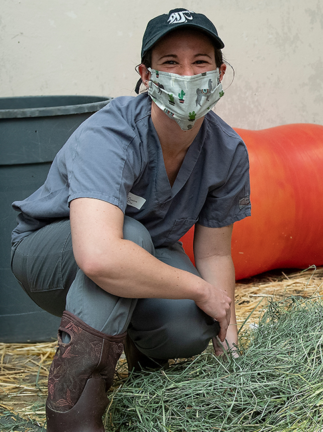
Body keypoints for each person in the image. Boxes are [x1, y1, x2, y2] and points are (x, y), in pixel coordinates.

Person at [9, 8, 250, 431]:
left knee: (191, 327)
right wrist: (198, 289)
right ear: (146, 74)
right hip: (50, 255)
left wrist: (227, 340)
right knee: (129, 240)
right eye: (170, 62)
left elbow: (214, 251)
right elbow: (100, 256)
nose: (188, 75)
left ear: (220, 71)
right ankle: (73, 417)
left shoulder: (227, 150)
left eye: (201, 62)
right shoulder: (112, 133)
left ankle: (143, 367)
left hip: (142, 250)